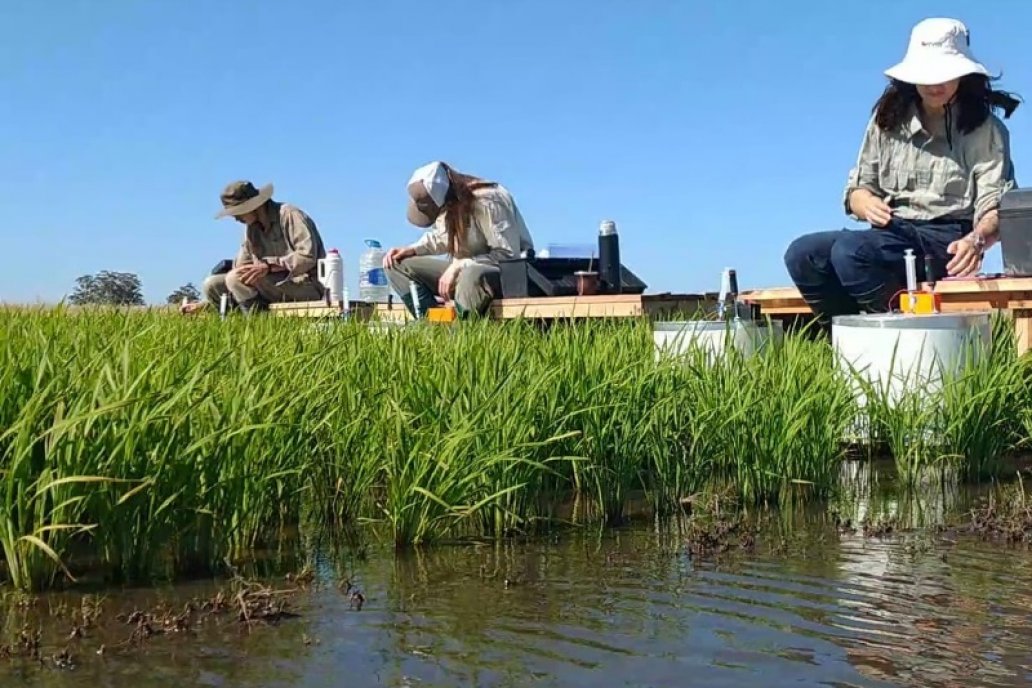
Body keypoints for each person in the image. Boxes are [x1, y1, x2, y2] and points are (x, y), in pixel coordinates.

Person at [783, 17, 1020, 328]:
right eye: (927, 74)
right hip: (891, 232)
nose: (936, 84)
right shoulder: (885, 122)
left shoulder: (986, 130)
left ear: (964, 75)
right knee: (803, 253)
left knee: (850, 253)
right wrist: (863, 201)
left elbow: (995, 205)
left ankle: (915, 334)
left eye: (945, 74)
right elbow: (858, 189)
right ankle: (844, 339)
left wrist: (976, 241)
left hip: (946, 239)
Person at [383, 161, 534, 318]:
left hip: (507, 275)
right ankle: (431, 325)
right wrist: (412, 250)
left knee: (470, 275)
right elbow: (441, 237)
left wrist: (459, 266)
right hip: (463, 272)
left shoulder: (489, 200)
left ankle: (463, 334)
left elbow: (508, 255)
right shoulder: (447, 203)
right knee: (395, 264)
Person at [181, 180, 326, 314]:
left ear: (254, 206)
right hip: (270, 286)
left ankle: (256, 324)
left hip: (306, 284)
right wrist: (204, 305)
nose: (235, 218)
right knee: (212, 284)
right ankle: (236, 323)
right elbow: (241, 267)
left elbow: (307, 256)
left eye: (237, 212)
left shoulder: (289, 215)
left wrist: (269, 266)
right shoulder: (251, 230)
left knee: (234, 278)